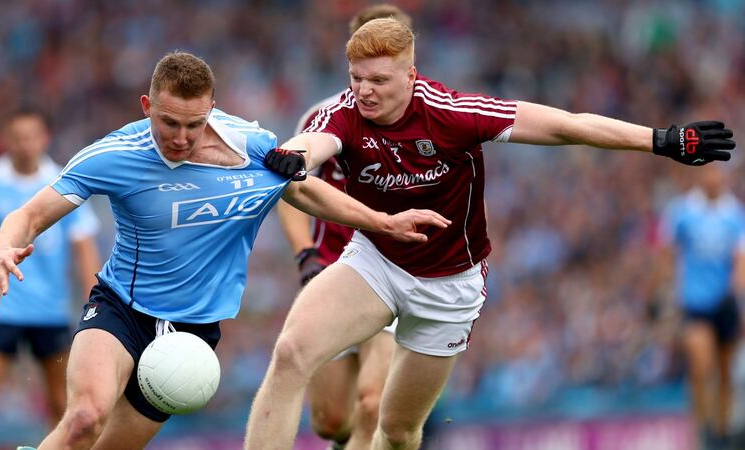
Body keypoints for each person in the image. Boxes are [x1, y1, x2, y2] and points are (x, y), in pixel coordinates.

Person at [244, 18, 736, 450]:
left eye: (378, 79)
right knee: (291, 353)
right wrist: (296, 156)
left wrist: (661, 140)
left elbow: (565, 126)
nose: (364, 90)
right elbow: (313, 141)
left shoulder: (452, 113)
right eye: (356, 79)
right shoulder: (348, 113)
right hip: (375, 264)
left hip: (448, 286)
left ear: (411, 77)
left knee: (396, 433)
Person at [0, 51, 449, 450]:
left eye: (194, 123)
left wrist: (382, 222)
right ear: (147, 106)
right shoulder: (114, 155)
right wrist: (5, 247)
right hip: (121, 309)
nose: (181, 137)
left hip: (193, 334)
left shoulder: (252, 148)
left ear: (212, 108)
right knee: (85, 420)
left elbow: (302, 192)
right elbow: (29, 215)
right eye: (168, 122)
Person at [275, 4, 412, 450]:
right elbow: (290, 192)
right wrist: (305, 255)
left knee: (375, 405)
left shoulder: (433, 117)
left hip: (401, 274)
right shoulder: (324, 119)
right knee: (333, 420)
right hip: (339, 272)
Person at [0, 109, 101, 450]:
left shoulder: (64, 181)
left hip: (52, 312)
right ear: (6, 140)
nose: (24, 144)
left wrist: (98, 305)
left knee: (65, 408)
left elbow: (84, 248)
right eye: (17, 137)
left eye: (31, 136)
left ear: (45, 138)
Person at [654, 163, 745, 450]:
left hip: (724, 304)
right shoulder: (683, 211)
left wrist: (736, 293)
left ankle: (721, 430)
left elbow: (740, 259)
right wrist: (668, 290)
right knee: (702, 365)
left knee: (724, 373)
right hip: (695, 304)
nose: (714, 178)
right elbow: (667, 251)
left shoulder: (734, 214)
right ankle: (704, 431)